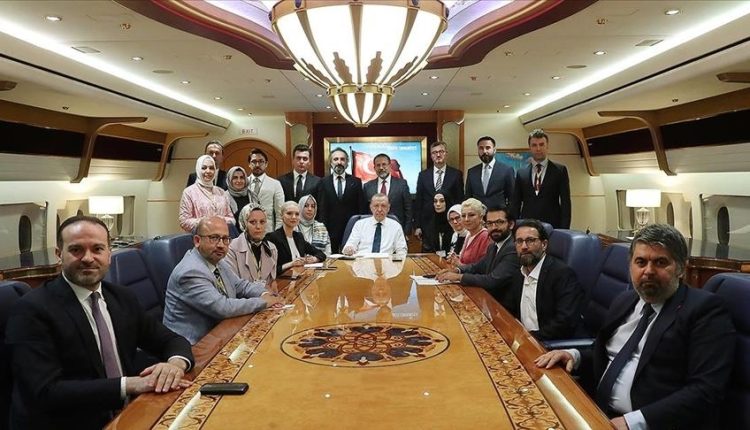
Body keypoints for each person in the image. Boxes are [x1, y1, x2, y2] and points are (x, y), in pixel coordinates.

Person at [536, 224, 735, 430]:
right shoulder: (625, 301)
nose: (648, 271)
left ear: (681, 268)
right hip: (596, 411)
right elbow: (608, 353)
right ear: (630, 265)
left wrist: (632, 422)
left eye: (660, 262)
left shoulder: (704, 310)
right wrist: (574, 355)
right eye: (641, 262)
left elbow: (706, 390)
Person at [5, 216, 194, 430]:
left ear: (109, 254)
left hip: (125, 415)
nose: (88, 258)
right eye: (76, 250)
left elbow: (170, 340)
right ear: (59, 255)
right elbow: (46, 391)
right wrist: (131, 384)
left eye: (97, 249)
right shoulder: (32, 310)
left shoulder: (121, 298)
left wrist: (174, 365)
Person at [163, 216, 284, 344]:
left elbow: (240, 285)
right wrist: (263, 302)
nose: (221, 245)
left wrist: (264, 293)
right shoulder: (190, 271)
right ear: (197, 240)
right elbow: (223, 308)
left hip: (219, 333)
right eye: (214, 238)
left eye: (225, 239)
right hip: (191, 345)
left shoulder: (217, 261)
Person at [505, 219, 583, 340]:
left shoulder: (562, 274)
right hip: (523, 339)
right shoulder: (518, 274)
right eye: (519, 241)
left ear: (544, 244)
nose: (524, 247)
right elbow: (509, 309)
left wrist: (527, 338)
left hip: (548, 343)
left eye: (530, 240)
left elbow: (564, 324)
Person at [436, 207, 519, 304]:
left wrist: (459, 277)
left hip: (503, 306)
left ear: (511, 224)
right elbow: (478, 266)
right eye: (489, 223)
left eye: (499, 222)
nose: (494, 227)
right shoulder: (493, 246)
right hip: (489, 300)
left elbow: (492, 280)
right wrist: (456, 270)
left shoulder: (514, 247)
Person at [511, 129, 571, 228]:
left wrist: (564, 230)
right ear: (530, 148)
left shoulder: (559, 170)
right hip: (527, 226)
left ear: (547, 146)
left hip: (552, 226)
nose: (538, 148)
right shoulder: (521, 173)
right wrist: (514, 228)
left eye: (541, 144)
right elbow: (516, 204)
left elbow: (566, 204)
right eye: (534, 145)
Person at [414, 141, 464, 251]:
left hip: (449, 223)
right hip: (428, 223)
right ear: (431, 156)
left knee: (449, 253)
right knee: (429, 254)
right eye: (434, 152)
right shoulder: (423, 175)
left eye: (441, 151)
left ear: (446, 153)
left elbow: (459, 200)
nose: (438, 155)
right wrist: (417, 226)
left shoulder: (456, 174)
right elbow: (419, 202)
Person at [318, 147, 367, 253]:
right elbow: (321, 208)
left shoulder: (356, 182)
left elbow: (361, 208)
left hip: (352, 230)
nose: (339, 162)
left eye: (342, 159)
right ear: (330, 163)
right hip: (330, 231)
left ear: (347, 162)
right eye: (335, 159)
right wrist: (322, 230)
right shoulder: (323, 182)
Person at [265, 201, 327, 276]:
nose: (294, 217)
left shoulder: (299, 236)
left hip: (299, 278)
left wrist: (314, 259)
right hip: (282, 280)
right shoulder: (272, 237)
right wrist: (291, 264)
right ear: (282, 216)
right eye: (289, 213)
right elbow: (269, 270)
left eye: (297, 214)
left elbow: (321, 254)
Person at [178, 154, 235, 232]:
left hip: (222, 236)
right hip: (200, 236)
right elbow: (184, 221)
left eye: (211, 168)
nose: (208, 171)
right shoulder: (189, 192)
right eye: (204, 168)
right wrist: (209, 222)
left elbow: (232, 219)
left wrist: (218, 221)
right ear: (198, 169)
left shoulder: (221, 192)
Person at [226, 205, 278, 284]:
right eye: (253, 222)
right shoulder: (232, 249)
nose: (258, 227)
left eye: (262, 222)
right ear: (244, 223)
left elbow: (272, 282)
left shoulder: (271, 248)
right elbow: (234, 284)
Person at [342, 193, 407, 256]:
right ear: (371, 207)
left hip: (386, 261)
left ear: (388, 208)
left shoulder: (396, 226)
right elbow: (350, 245)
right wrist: (349, 249)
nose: (379, 209)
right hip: (362, 261)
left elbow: (402, 250)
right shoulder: (359, 224)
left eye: (383, 206)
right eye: (376, 206)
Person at [363, 153, 412, 235]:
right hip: (374, 230)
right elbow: (364, 211)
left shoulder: (402, 184)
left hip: (397, 230)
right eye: (378, 165)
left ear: (389, 166)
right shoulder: (367, 186)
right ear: (374, 168)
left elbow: (408, 209)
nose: (381, 168)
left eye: (384, 164)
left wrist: (406, 232)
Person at [465, 136, 514, 209]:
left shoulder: (506, 170)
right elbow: (468, 198)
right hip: (477, 214)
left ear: (494, 150)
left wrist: (507, 214)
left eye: (488, 148)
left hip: (498, 213)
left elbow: (512, 198)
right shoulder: (472, 172)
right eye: (481, 148)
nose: (484, 151)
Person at [247, 148, 285, 233]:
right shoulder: (244, 183)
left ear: (266, 164)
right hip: (247, 231)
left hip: (268, 232)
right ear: (249, 164)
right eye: (254, 162)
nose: (257, 165)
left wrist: (277, 235)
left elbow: (280, 214)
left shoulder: (275, 184)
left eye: (261, 161)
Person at [448, 198, 490, 265]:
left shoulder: (485, 236)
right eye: (463, 216)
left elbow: (483, 268)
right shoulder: (469, 235)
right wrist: (455, 258)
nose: (466, 219)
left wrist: (459, 264)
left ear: (481, 217)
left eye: (471, 215)